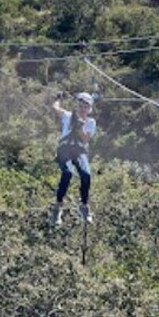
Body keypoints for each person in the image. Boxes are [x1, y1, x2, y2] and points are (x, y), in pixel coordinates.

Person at [50, 92, 97, 226]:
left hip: (79, 150)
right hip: (65, 149)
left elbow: (86, 139)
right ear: (77, 107)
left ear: (89, 110)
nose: (82, 109)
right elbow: (56, 108)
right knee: (67, 173)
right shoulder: (68, 116)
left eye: (85, 107)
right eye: (80, 106)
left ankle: (84, 206)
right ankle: (57, 208)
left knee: (86, 174)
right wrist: (58, 98)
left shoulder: (90, 122)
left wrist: (80, 127)